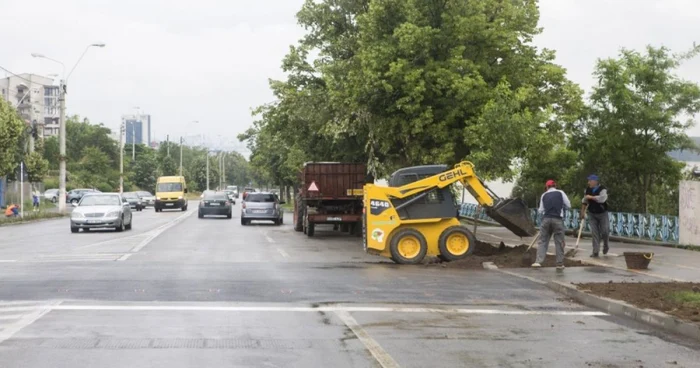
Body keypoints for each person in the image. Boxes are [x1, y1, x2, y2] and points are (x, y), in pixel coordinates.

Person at [533, 180, 571, 270]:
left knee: (543, 241)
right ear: (555, 186)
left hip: (546, 220)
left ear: (546, 187)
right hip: (558, 220)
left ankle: (538, 261)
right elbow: (568, 205)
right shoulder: (561, 193)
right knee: (559, 242)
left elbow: (540, 210)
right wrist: (562, 207)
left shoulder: (544, 195)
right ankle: (559, 263)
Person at [582, 174, 609, 257]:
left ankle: (605, 244)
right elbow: (584, 200)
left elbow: (602, 199)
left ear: (595, 181)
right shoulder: (587, 189)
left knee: (605, 231)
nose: (588, 182)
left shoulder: (602, 189)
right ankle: (595, 251)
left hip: (602, 213)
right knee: (594, 232)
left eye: (590, 181)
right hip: (592, 213)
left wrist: (592, 197)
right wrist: (582, 211)